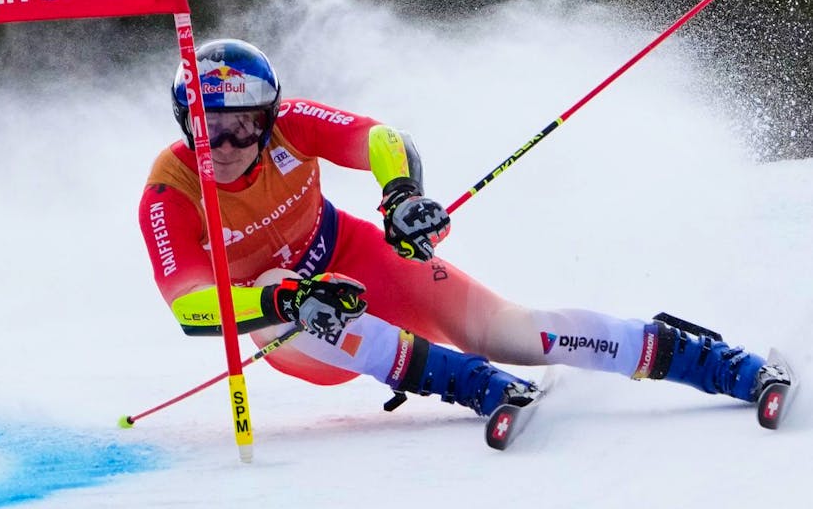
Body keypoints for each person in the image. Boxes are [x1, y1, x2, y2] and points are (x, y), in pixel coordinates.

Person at [139, 38, 788, 421]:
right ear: (184, 122)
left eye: (242, 126)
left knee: (511, 329)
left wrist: (399, 197)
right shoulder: (171, 192)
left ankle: (695, 357)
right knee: (289, 291)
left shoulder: (291, 126)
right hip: (283, 321)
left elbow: (378, 137)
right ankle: (461, 379)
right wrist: (279, 299)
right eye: (207, 126)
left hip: (353, 254)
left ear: (268, 118)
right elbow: (192, 308)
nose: (224, 144)